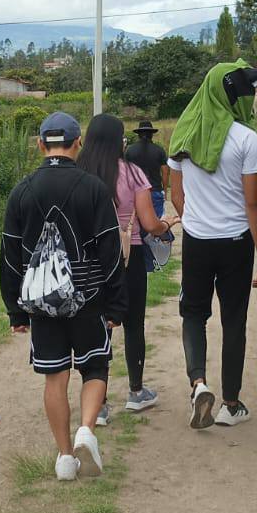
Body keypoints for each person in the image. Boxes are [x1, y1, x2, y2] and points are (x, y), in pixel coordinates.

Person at [0, 111, 126, 481]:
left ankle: (65, 458)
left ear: (41, 145)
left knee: (54, 377)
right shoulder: (94, 188)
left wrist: (15, 311)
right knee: (95, 366)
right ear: (77, 144)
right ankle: (86, 429)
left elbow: (9, 256)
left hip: (42, 303)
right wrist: (116, 303)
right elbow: (110, 251)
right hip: (88, 298)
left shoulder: (21, 191)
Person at [168, 61, 257, 429]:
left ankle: (198, 384)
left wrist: (197, 219)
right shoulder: (245, 139)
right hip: (236, 243)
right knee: (234, 320)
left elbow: (176, 195)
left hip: (197, 241)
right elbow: (253, 202)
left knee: (193, 314)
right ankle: (230, 404)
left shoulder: (184, 133)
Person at [79, 114, 179, 417]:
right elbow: (149, 223)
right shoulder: (132, 173)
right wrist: (165, 224)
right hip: (128, 255)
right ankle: (136, 392)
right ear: (118, 141)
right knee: (134, 324)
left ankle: (98, 405)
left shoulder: (79, 173)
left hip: (90, 260)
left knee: (97, 328)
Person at [125, 121, 170, 217]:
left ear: (138, 135)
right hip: (155, 190)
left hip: (135, 191)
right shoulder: (159, 150)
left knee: (137, 220)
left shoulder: (130, 150)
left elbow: (125, 172)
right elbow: (165, 172)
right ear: (152, 135)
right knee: (157, 220)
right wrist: (165, 190)